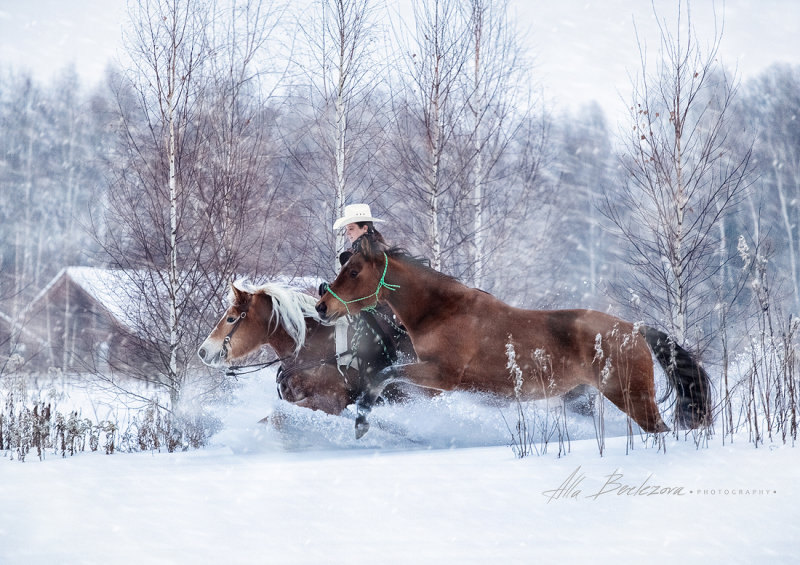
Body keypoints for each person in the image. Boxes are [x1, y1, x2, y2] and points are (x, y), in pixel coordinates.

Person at [324, 203, 409, 437]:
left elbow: (374, 288)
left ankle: (375, 398)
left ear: (364, 228)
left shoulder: (373, 253)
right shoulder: (357, 252)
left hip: (380, 312)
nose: (348, 233)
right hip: (363, 313)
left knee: (374, 351)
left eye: (351, 228)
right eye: (347, 229)